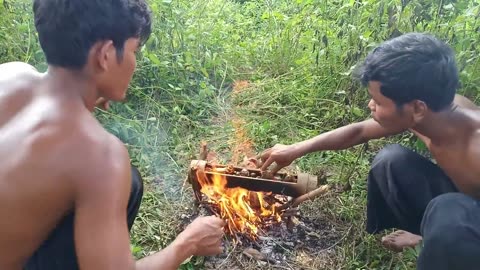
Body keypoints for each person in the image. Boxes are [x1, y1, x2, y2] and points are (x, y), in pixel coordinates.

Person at [0, 1, 225, 270]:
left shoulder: (10, 74)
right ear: (105, 54)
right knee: (127, 182)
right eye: (134, 51)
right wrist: (187, 243)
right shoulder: (101, 157)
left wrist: (85, 99)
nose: (135, 63)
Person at [259, 32, 480, 270]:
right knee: (391, 161)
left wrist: (437, 235)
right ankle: (436, 233)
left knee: (448, 211)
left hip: (463, 213)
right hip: (465, 201)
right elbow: (359, 131)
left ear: (417, 107)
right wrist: (294, 149)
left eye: (378, 101)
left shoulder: (474, 147)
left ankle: (442, 240)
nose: (369, 105)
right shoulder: (433, 112)